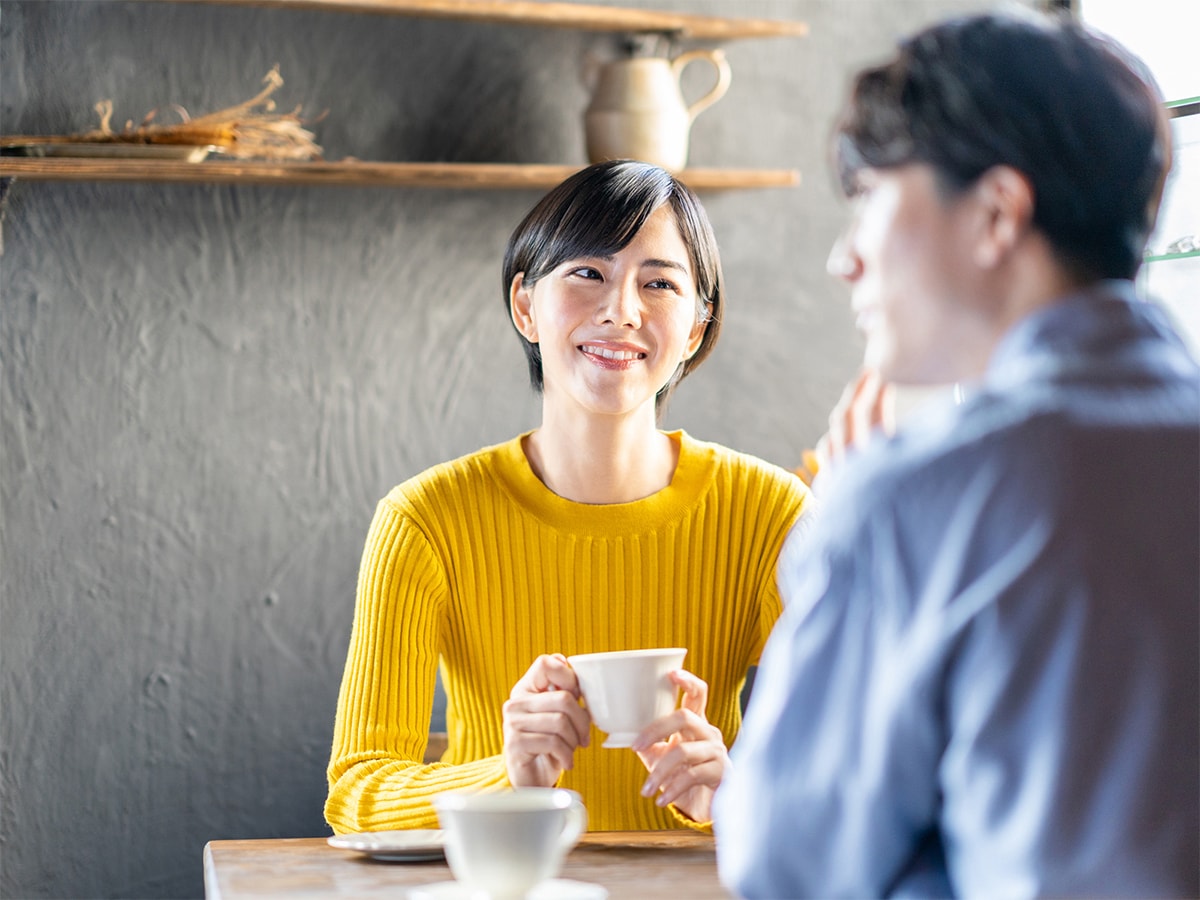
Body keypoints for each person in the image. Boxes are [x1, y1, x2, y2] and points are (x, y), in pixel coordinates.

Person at [716, 10, 1198, 897]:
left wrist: (852, 531)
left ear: (995, 214)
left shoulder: (915, 500)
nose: (844, 259)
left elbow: (786, 864)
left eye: (870, 199)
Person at [325, 159, 812, 834]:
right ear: (525, 305)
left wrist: (739, 795)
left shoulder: (772, 516)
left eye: (660, 283)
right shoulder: (424, 521)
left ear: (696, 331)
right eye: (588, 273)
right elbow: (358, 794)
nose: (621, 310)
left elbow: (858, 775)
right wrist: (507, 775)